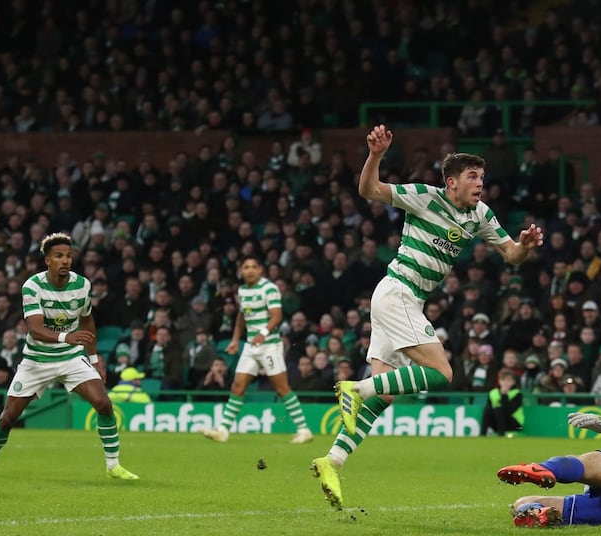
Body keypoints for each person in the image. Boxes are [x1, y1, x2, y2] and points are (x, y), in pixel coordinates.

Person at [312, 124, 544, 510]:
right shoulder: (424, 197)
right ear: (451, 183)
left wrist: (525, 246)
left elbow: (511, 256)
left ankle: (332, 460)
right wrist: (376, 156)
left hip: (404, 299)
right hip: (398, 291)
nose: (479, 184)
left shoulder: (480, 214)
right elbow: (369, 191)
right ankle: (355, 388)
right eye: (472, 177)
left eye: (482, 178)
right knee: (442, 373)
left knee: (385, 393)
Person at [0, 233, 139, 480]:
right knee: (8, 418)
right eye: (59, 256)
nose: (65, 260)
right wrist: (66, 337)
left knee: (104, 404)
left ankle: (113, 466)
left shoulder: (82, 285)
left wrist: (94, 361)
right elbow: (35, 328)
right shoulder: (32, 286)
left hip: (70, 357)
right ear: (47, 260)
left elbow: (87, 320)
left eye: (69, 256)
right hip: (37, 359)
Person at [202, 256, 313, 444]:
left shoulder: (269, 288)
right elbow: (242, 315)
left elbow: (277, 316)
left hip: (269, 345)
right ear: (241, 271)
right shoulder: (243, 290)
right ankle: (223, 431)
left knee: (281, 388)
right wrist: (236, 339)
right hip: (250, 346)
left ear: (260, 270)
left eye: (254, 266)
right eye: (246, 267)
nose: (250, 270)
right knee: (238, 386)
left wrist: (262, 333)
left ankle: (304, 430)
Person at [481, 368, 524, 436]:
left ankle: (501, 435)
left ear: (513, 382)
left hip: (517, 426)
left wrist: (504, 396)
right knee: (488, 409)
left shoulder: (517, 394)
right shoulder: (493, 392)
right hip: (497, 424)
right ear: (499, 381)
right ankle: (482, 434)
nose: (505, 383)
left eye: (508, 380)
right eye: (503, 380)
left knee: (499, 409)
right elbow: (489, 410)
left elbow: (508, 410)